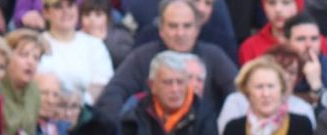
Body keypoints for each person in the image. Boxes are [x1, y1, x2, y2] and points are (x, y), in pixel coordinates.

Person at [95, 0, 240, 118]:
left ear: (197, 30)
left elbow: (238, 91)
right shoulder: (142, 56)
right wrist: (122, 129)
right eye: (173, 26)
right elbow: (115, 90)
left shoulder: (214, 56)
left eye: (187, 26)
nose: (180, 33)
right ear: (161, 30)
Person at [38, 0, 114, 105]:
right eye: (58, 7)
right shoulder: (37, 44)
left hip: (86, 114)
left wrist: (76, 104)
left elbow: (101, 85)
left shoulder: (94, 45)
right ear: (46, 13)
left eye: (70, 5)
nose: (66, 11)